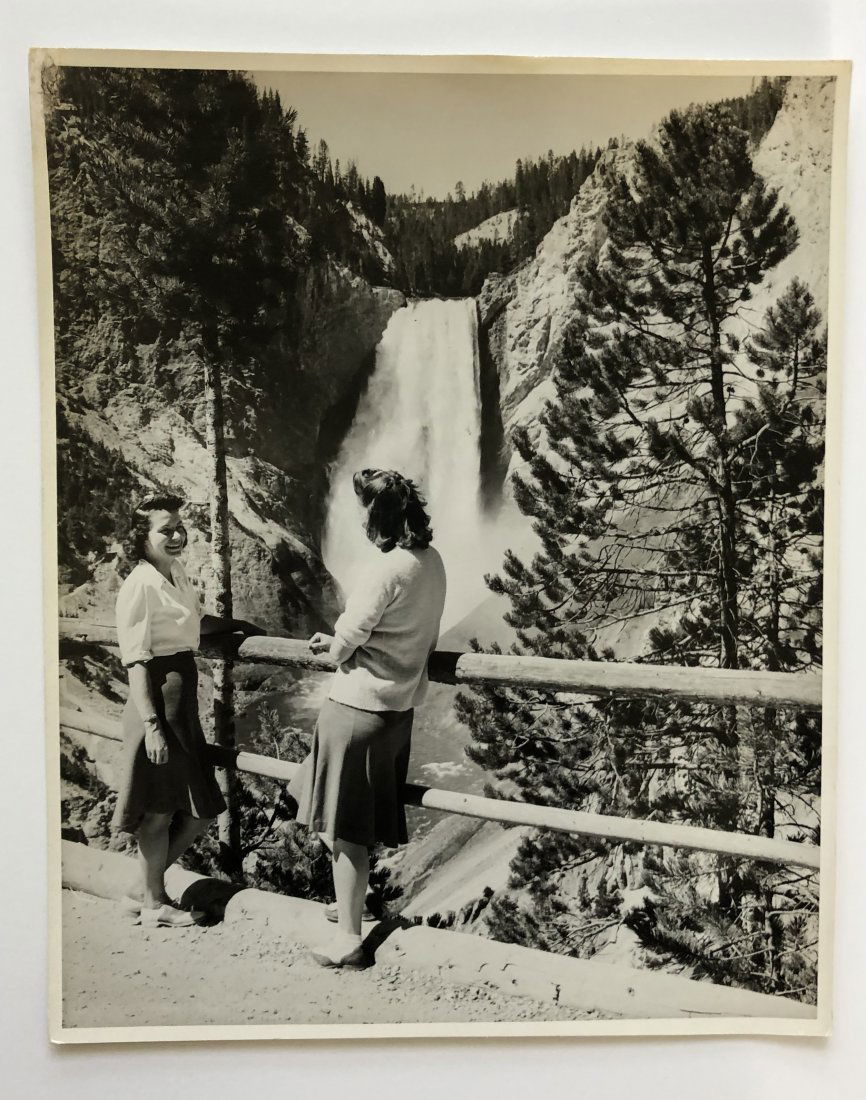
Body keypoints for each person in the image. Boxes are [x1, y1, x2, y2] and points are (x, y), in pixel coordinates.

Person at [289, 468, 447, 968]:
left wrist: (334, 644)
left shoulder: (387, 569)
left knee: (343, 829)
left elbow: (350, 633)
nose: (359, 523)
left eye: (364, 514)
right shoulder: (432, 561)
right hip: (396, 712)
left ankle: (350, 940)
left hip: (356, 709)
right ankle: (350, 901)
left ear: (379, 518)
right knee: (334, 808)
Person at [112, 493, 262, 927]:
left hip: (180, 709)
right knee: (159, 810)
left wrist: (235, 626)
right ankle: (155, 904)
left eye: (180, 527)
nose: (177, 536)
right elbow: (137, 660)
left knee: (199, 811)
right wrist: (152, 725)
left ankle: (142, 889)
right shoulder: (138, 585)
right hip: (157, 706)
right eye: (166, 530)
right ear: (142, 536)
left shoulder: (173, 571)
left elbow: (192, 625)